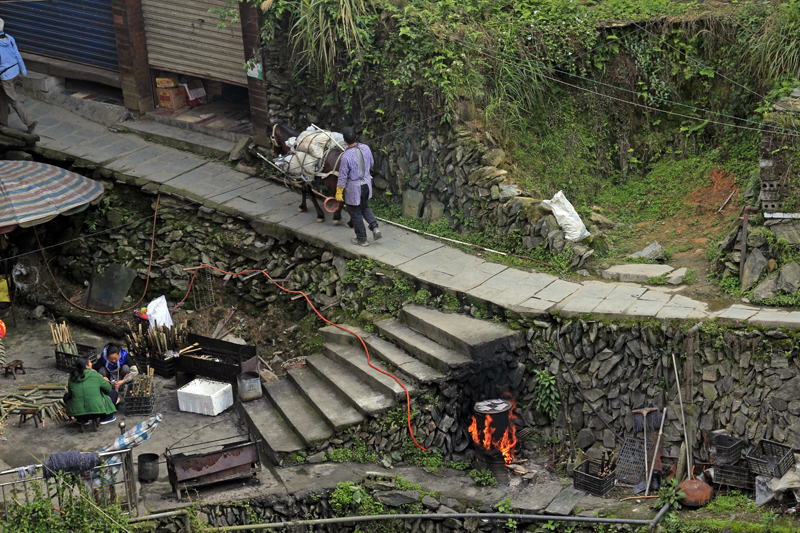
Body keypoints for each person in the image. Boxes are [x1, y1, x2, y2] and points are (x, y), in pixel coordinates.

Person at [335, 127, 381, 247]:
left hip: (354, 188)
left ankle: (362, 239)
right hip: (366, 184)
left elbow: (343, 177)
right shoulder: (366, 148)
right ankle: (375, 227)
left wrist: (339, 191)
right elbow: (371, 163)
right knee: (365, 207)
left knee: (355, 212)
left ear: (344, 140)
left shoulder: (346, 157)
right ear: (356, 136)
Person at [0, 18, 36, 134]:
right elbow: (17, 55)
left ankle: (30, 122)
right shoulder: (9, 38)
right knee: (2, 97)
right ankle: (3, 122)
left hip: (6, 76)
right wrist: (23, 71)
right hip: (14, 71)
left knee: (13, 100)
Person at [64, 356, 117, 425]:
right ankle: (106, 417)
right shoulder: (96, 376)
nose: (91, 364)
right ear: (87, 366)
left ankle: (82, 420)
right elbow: (108, 389)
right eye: (90, 362)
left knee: (66, 396)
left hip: (78, 414)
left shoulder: (71, 378)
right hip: (97, 413)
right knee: (113, 393)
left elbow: (71, 394)